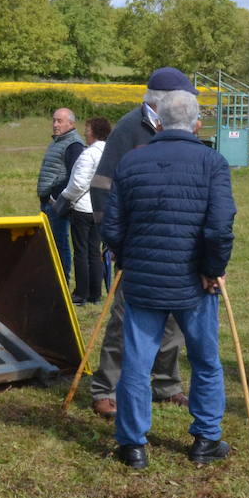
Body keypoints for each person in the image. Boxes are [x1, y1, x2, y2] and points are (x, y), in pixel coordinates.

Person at [101, 87, 235, 469]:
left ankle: (132, 444)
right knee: (205, 361)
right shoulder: (213, 162)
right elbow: (220, 228)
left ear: (158, 120)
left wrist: (130, 260)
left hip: (147, 279)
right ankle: (206, 438)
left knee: (137, 364)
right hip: (194, 282)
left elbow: (112, 227)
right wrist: (213, 269)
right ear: (196, 123)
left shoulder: (131, 162)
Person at [84, 68, 194, 418]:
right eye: (184, 98)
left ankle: (166, 384)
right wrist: (114, 241)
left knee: (173, 319)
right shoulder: (130, 128)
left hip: (175, 244)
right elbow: (102, 186)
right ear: (161, 100)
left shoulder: (181, 126)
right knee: (122, 319)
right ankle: (107, 388)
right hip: (136, 245)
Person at [56, 116, 110, 305]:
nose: (85, 133)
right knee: (95, 252)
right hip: (101, 208)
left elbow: (78, 183)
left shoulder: (89, 154)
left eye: (87, 129)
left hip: (83, 208)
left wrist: (64, 197)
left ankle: (81, 294)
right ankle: (96, 294)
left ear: (94, 132)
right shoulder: (110, 152)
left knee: (81, 251)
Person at [37, 108, 84, 283]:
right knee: (50, 242)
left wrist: (56, 198)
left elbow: (75, 175)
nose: (55, 125)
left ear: (71, 124)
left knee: (59, 242)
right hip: (48, 202)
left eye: (59, 121)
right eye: (54, 120)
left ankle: (62, 278)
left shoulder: (74, 144)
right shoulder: (59, 141)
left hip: (56, 203)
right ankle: (53, 276)